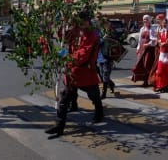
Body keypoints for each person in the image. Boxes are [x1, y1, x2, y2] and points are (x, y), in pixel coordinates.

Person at [45, 8, 104, 138]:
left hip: (86, 72)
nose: (81, 24)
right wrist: (60, 23)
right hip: (72, 71)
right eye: (79, 21)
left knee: (94, 96)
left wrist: (67, 58)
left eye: (83, 21)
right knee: (64, 97)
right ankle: (59, 126)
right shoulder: (75, 30)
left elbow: (83, 55)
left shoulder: (92, 35)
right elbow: (63, 37)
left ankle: (99, 113)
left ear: (88, 21)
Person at [131, 14, 157, 86]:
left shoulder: (152, 29)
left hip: (149, 49)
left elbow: (154, 39)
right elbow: (140, 40)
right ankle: (144, 80)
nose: (145, 21)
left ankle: (148, 80)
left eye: (146, 19)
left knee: (147, 64)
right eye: (144, 20)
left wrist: (148, 44)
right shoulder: (142, 28)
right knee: (141, 64)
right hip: (142, 48)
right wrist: (138, 48)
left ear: (149, 20)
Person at [153, 17, 168, 92]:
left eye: (166, 23)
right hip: (162, 53)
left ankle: (166, 86)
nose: (164, 24)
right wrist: (160, 43)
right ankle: (160, 85)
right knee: (160, 71)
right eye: (163, 23)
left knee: (167, 71)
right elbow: (159, 40)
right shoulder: (161, 31)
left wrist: (166, 43)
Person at [97, 18, 116, 99]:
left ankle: (104, 93)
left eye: (107, 23)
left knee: (105, 74)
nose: (106, 24)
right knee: (102, 75)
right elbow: (97, 42)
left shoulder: (112, 31)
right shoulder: (98, 31)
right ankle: (111, 84)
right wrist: (103, 39)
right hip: (101, 55)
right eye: (104, 23)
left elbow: (117, 41)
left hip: (109, 56)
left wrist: (111, 38)